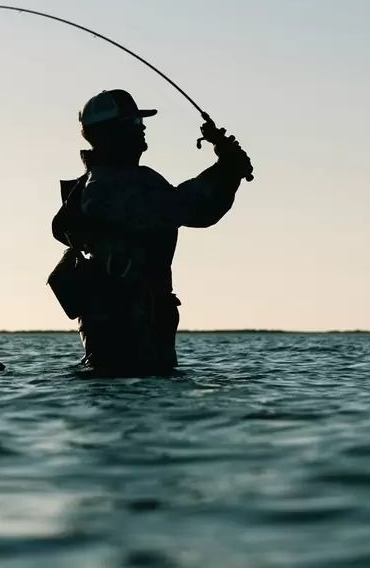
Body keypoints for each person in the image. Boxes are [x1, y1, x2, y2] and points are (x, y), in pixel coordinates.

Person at [49, 89, 252, 376]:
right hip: (126, 334)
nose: (142, 128)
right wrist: (227, 169)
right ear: (110, 133)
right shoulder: (109, 186)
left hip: (137, 330)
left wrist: (227, 170)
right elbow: (184, 207)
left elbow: (194, 209)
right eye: (133, 123)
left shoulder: (125, 180)